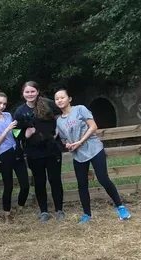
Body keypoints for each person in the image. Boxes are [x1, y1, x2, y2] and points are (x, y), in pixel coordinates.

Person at [54, 88, 131, 223]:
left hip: (94, 149)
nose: (60, 100)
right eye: (57, 99)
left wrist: (80, 142)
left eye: (62, 97)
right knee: (82, 184)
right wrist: (68, 145)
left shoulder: (80, 109)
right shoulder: (59, 121)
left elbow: (93, 126)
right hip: (78, 154)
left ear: (69, 99)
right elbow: (64, 139)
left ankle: (121, 207)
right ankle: (87, 214)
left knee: (103, 179)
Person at [14, 81, 64, 223]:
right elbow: (15, 131)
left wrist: (57, 132)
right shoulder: (20, 111)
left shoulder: (48, 104)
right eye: (27, 92)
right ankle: (43, 211)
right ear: (23, 94)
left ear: (37, 91)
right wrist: (26, 134)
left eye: (32, 91)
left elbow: (61, 116)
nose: (30, 94)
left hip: (52, 149)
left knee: (55, 180)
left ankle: (59, 210)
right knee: (39, 182)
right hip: (33, 152)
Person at [0, 90, 30, 223]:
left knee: (25, 184)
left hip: (17, 151)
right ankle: (7, 213)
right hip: (4, 154)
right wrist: (7, 129)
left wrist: (24, 134)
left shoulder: (8, 115)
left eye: (4, 104)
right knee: (8, 185)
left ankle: (20, 208)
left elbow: (15, 132)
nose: (2, 106)